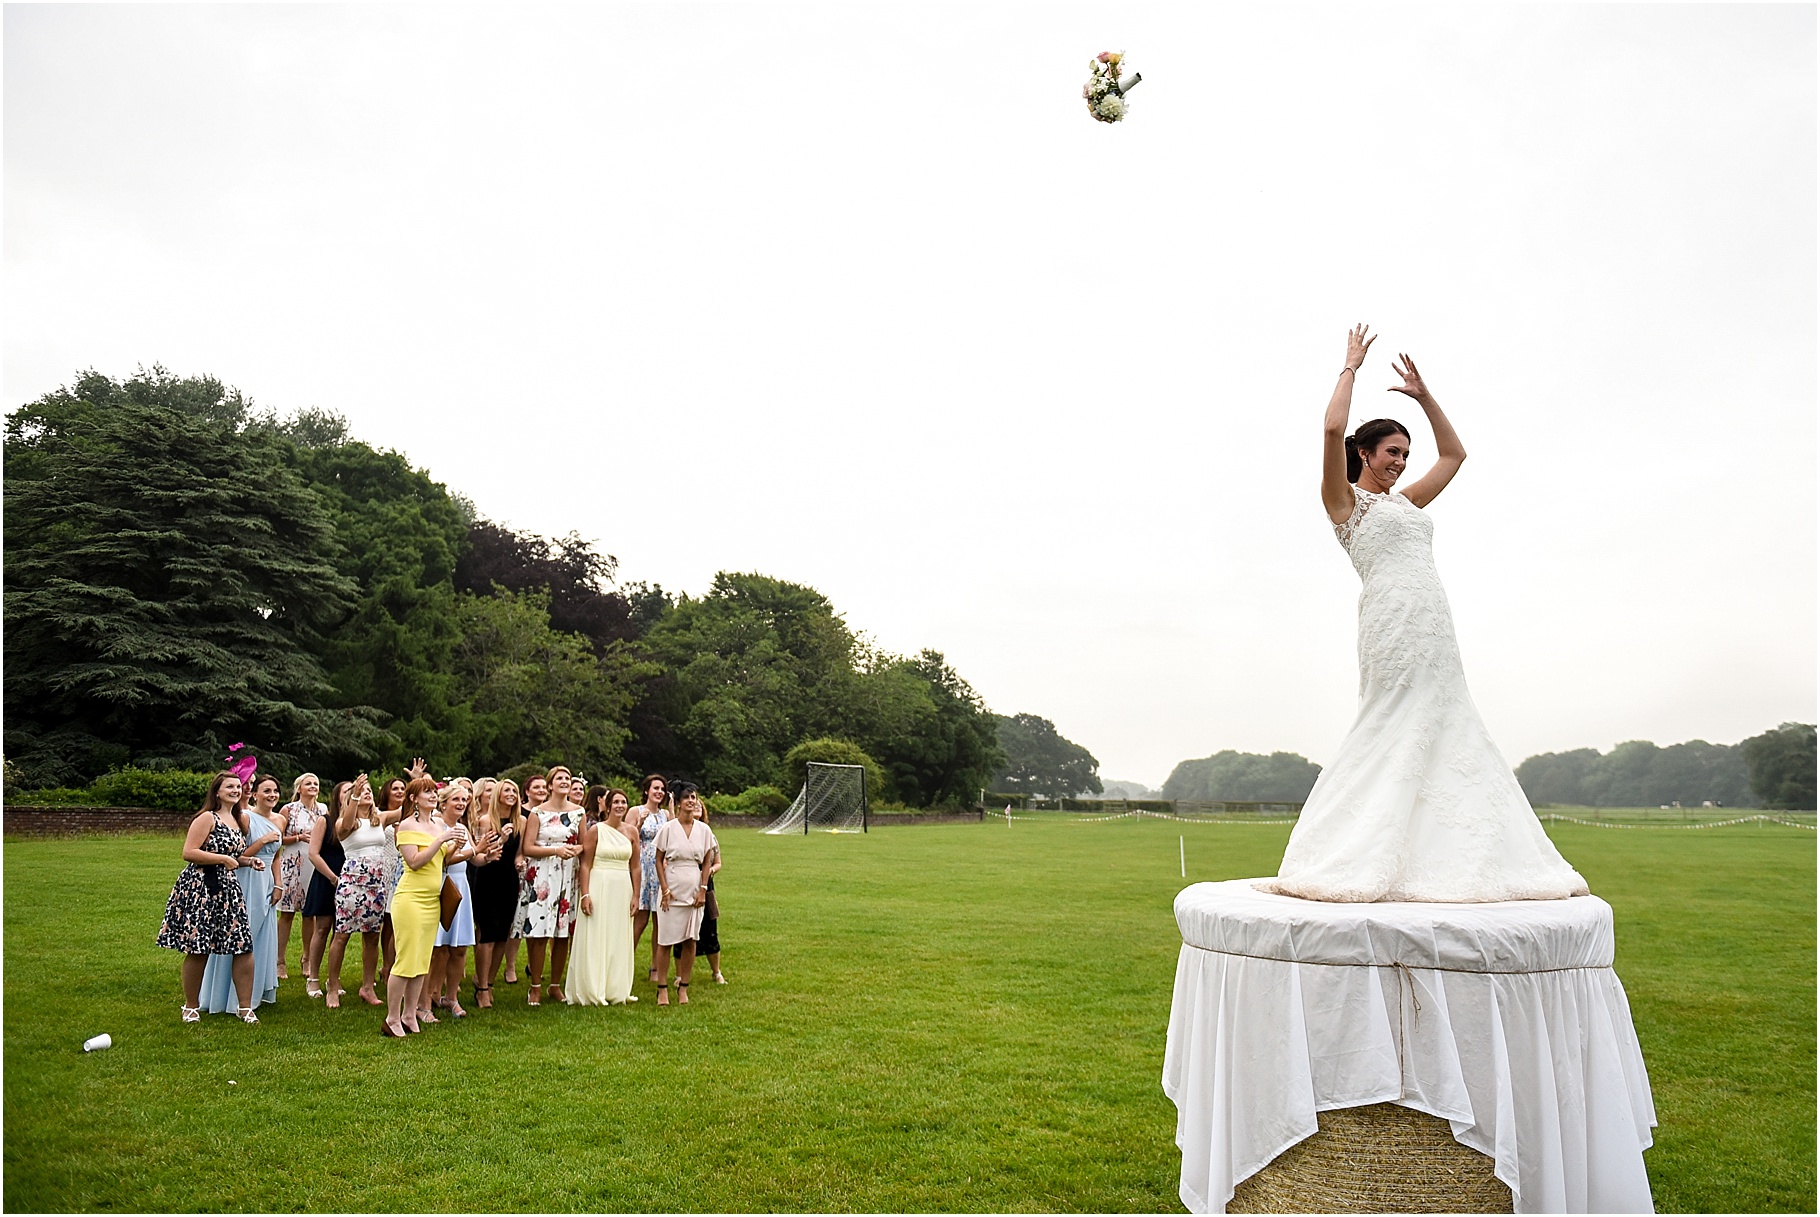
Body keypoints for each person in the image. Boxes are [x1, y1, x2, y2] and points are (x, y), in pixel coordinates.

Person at [1265, 325, 1589, 903]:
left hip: (1434, 620)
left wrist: (1424, 397)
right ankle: (1352, 849)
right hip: (1390, 620)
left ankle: (1449, 855)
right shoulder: (1344, 501)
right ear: (1364, 454)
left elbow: (1455, 454)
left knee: (1445, 716)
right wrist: (1350, 366)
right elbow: (1332, 426)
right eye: (1392, 452)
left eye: (1405, 456)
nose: (1400, 463)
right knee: (1393, 718)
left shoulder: (1407, 502)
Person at [157, 771, 257, 1023]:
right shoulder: (206, 818)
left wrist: (247, 861)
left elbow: (232, 856)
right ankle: (191, 1006)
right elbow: (189, 852)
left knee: (242, 945)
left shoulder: (239, 820)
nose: (236, 790)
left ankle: (244, 1007)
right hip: (201, 887)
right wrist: (222, 859)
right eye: (230, 787)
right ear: (217, 792)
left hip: (228, 890)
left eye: (238, 786)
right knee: (199, 946)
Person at [384, 776, 463, 1036]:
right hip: (410, 899)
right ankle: (392, 1017)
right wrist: (441, 841)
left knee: (421, 960)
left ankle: (410, 1013)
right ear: (413, 799)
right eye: (426, 793)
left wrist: (455, 847)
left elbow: (441, 861)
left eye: (433, 792)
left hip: (432, 900)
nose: (432, 796)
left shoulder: (438, 824)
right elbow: (415, 861)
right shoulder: (405, 825)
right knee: (406, 959)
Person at [200, 773, 283, 1014]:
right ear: (254, 794)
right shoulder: (245, 818)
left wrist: (278, 883)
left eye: (275, 791)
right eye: (266, 791)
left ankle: (255, 991)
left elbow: (276, 855)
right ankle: (227, 996)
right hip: (246, 878)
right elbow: (239, 852)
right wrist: (263, 840)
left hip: (266, 879)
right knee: (243, 933)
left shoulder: (279, 821)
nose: (272, 795)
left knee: (263, 936)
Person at [322, 776, 390, 1008]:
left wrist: (419, 782)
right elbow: (347, 824)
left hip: (376, 885)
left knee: (372, 937)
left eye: (369, 790)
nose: (367, 793)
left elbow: (407, 809)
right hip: (352, 884)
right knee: (341, 935)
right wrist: (354, 795)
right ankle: (332, 985)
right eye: (363, 791)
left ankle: (368, 987)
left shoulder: (379, 818)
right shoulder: (343, 822)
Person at [518, 765, 584, 1006]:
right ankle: (535, 985)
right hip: (542, 875)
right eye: (560, 778)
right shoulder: (537, 813)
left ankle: (555, 985)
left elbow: (584, 844)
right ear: (550, 785)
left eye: (568, 778)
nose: (565, 781)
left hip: (568, 876)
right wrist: (555, 850)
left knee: (562, 932)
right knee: (539, 933)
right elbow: (527, 848)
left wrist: (576, 849)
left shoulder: (579, 812)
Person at [568, 788, 639, 1006]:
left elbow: (635, 866)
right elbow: (586, 864)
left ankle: (616, 987)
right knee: (596, 933)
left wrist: (636, 894)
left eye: (623, 802)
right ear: (607, 806)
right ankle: (592, 987)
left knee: (618, 935)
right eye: (616, 802)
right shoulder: (596, 830)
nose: (620, 805)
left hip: (622, 886)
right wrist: (586, 894)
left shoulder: (632, 832)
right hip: (599, 883)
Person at [653, 783, 719, 1006]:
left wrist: (702, 889)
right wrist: (664, 889)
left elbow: (708, 861)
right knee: (665, 940)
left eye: (694, 797)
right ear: (679, 802)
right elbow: (658, 860)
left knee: (691, 939)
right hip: (671, 887)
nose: (691, 801)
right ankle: (662, 989)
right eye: (687, 797)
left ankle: (683, 987)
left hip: (694, 888)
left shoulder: (704, 830)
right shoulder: (668, 828)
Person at [430, 781, 490, 1018]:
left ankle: (451, 997)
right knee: (437, 948)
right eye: (456, 799)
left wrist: (487, 855)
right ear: (443, 803)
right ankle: (428, 996)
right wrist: (475, 850)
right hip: (441, 887)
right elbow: (442, 860)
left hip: (461, 887)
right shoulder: (436, 827)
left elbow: (472, 859)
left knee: (460, 948)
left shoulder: (463, 828)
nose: (461, 804)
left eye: (464, 800)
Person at [469, 778, 523, 1008]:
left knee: (503, 934)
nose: (511, 794)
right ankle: (480, 987)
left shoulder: (522, 821)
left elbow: (520, 852)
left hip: (509, 880)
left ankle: (490, 983)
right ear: (498, 794)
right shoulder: (485, 820)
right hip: (488, 878)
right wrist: (501, 837)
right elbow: (482, 853)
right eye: (507, 790)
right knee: (487, 934)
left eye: (514, 791)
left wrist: (521, 861)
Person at [301, 781, 350, 997]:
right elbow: (313, 853)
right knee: (322, 927)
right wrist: (332, 877)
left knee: (341, 932)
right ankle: (312, 978)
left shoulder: (358, 823)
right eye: (347, 792)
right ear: (337, 796)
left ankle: (334, 978)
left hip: (349, 880)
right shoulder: (326, 820)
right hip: (326, 877)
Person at [273, 772, 323, 979]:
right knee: (287, 913)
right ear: (299, 788)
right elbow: (277, 838)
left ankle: (307, 959)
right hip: (292, 864)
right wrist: (298, 837)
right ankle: (279, 961)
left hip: (313, 865)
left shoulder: (323, 810)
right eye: (308, 783)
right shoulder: (289, 810)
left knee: (309, 914)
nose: (312, 786)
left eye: (315, 783)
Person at [504, 772, 550, 985]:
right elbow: (519, 844)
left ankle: (534, 964)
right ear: (527, 791)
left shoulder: (550, 812)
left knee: (542, 919)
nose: (541, 790)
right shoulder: (521, 813)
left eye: (544, 787)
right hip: (523, 870)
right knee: (518, 919)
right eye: (537, 787)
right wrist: (520, 859)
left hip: (547, 870)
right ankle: (510, 965)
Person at [631, 773, 670, 984]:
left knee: (659, 921)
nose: (659, 792)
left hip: (660, 870)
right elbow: (626, 838)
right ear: (647, 790)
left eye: (662, 789)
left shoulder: (665, 815)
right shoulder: (636, 811)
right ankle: (626, 961)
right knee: (640, 918)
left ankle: (655, 967)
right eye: (655, 788)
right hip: (642, 868)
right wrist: (639, 824)